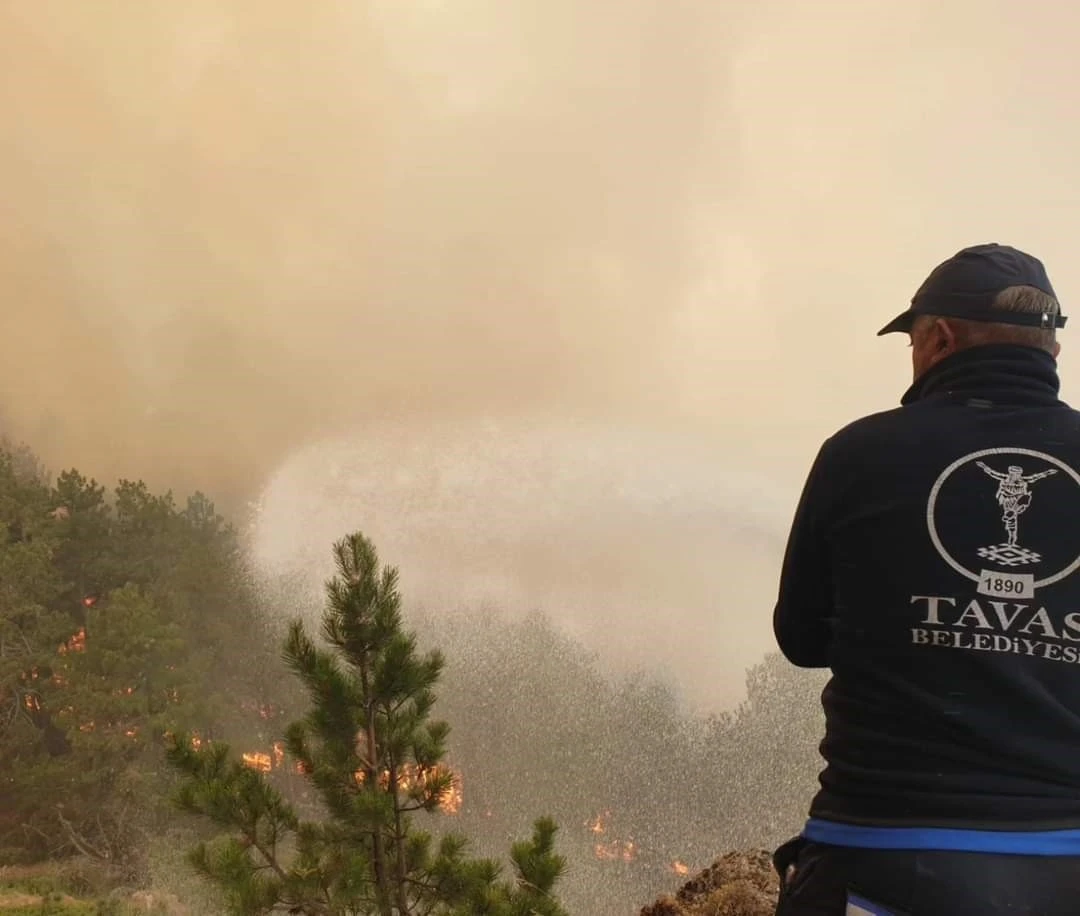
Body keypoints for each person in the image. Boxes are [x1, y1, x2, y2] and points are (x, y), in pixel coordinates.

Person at [771, 243, 1080, 915]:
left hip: (885, 856)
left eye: (912, 341)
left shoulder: (860, 452)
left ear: (938, 338)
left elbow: (801, 638)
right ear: (1050, 351)